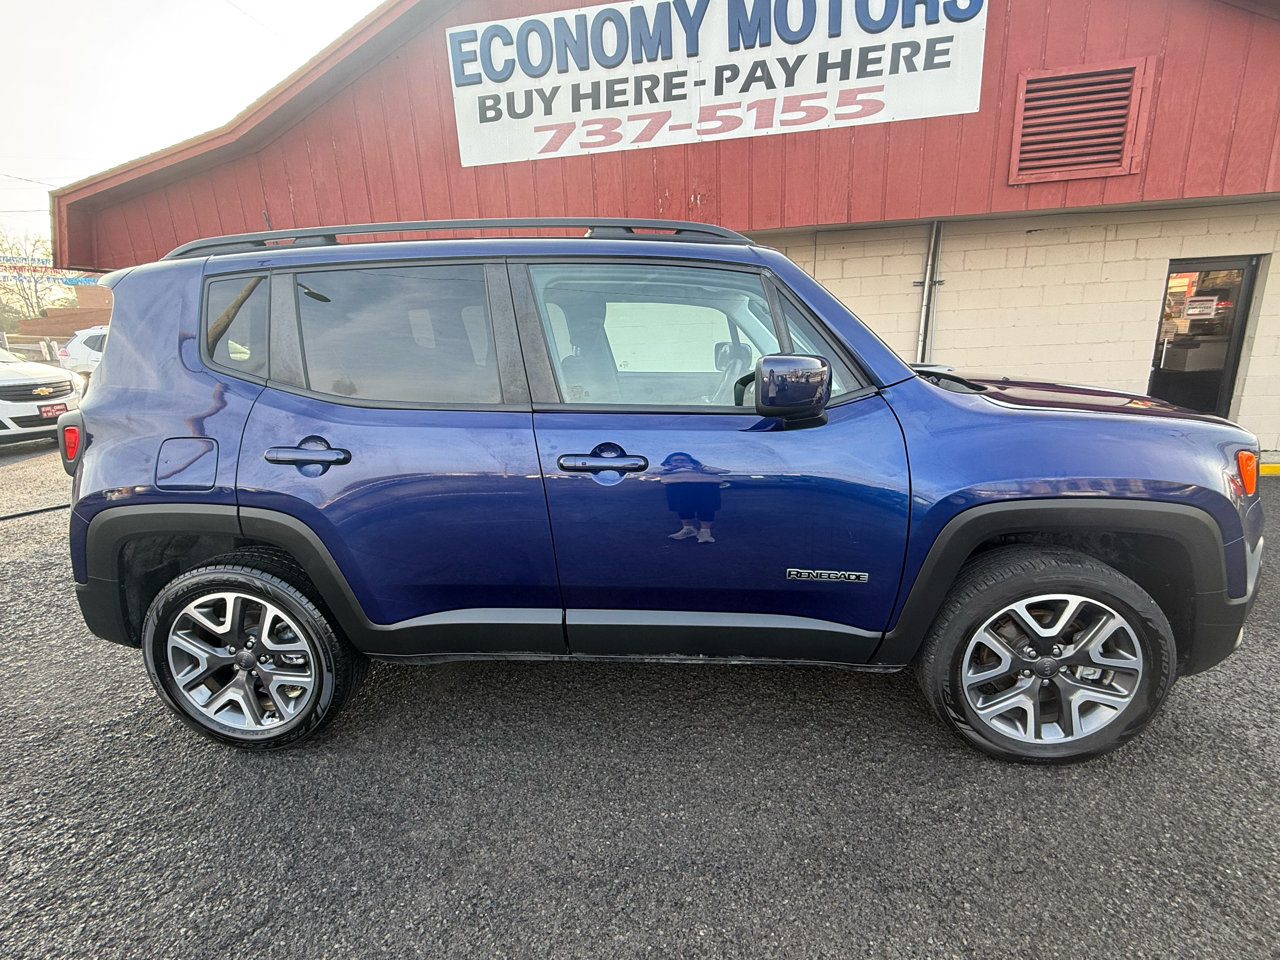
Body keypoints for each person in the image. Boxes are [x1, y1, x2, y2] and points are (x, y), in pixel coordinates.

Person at [658, 452, 729, 543]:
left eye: (683, 460)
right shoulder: (664, 469)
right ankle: (688, 530)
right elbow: (651, 471)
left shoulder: (703, 468)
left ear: (690, 461)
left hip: (705, 487)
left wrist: (701, 468)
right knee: (682, 508)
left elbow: (725, 471)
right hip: (678, 488)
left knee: (706, 508)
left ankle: (705, 533)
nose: (679, 462)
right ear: (668, 461)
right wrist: (669, 468)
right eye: (675, 460)